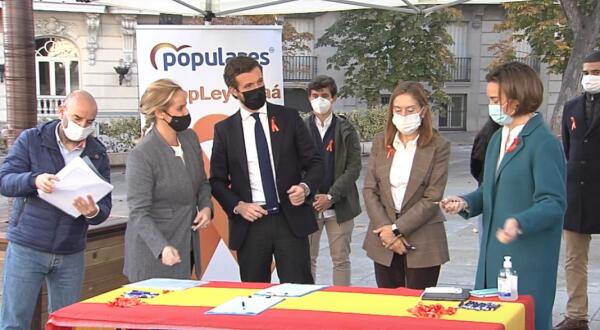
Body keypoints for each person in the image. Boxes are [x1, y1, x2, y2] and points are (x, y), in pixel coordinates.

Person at [441, 62, 566, 330]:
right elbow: (490, 189)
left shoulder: (543, 143)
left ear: (517, 97)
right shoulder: (499, 138)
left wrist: (520, 222)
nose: (492, 106)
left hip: (527, 257)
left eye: (496, 99)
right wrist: (466, 202)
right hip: (492, 255)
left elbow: (553, 202)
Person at [0, 90, 112, 329]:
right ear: (62, 111)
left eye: (90, 122)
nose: (83, 126)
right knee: (14, 323)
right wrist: (34, 180)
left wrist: (92, 212)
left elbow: (104, 207)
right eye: (78, 118)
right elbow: (5, 181)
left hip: (70, 250)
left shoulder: (97, 152)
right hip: (27, 247)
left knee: (64, 323)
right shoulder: (32, 139)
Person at [210, 55, 323, 283]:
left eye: (260, 82)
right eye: (249, 86)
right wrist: (238, 206)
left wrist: (305, 187)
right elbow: (217, 181)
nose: (257, 89)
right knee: (255, 295)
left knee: (299, 293)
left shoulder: (289, 118)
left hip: (289, 219)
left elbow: (315, 163)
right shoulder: (225, 130)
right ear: (234, 91)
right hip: (251, 225)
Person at [362, 81, 451, 289]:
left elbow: (432, 197)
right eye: (398, 110)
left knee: (419, 309)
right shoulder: (381, 142)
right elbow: (369, 189)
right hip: (383, 238)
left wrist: (396, 230)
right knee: (388, 309)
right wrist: (386, 230)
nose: (403, 115)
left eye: (410, 110)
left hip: (423, 238)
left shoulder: (438, 146)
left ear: (423, 111)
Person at [124, 79, 212, 282]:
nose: (186, 112)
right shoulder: (143, 154)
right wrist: (161, 247)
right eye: (180, 108)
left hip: (185, 244)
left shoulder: (190, 138)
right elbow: (138, 212)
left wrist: (205, 207)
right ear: (160, 113)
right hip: (153, 252)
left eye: (186, 105)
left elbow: (202, 182)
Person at [554, 50, 600, 330]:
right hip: (577, 193)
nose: (590, 78)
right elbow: (568, 150)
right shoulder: (571, 107)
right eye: (586, 73)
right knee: (573, 258)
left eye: (596, 72)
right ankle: (577, 315)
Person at [304, 75, 361, 286]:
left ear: (334, 98)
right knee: (307, 259)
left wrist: (331, 196)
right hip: (309, 207)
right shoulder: (300, 128)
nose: (320, 100)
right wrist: (309, 195)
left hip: (341, 207)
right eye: (315, 96)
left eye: (325, 96)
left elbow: (354, 168)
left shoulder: (346, 129)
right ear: (309, 98)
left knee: (341, 260)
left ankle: (342, 303)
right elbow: (295, 167)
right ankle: (309, 305)